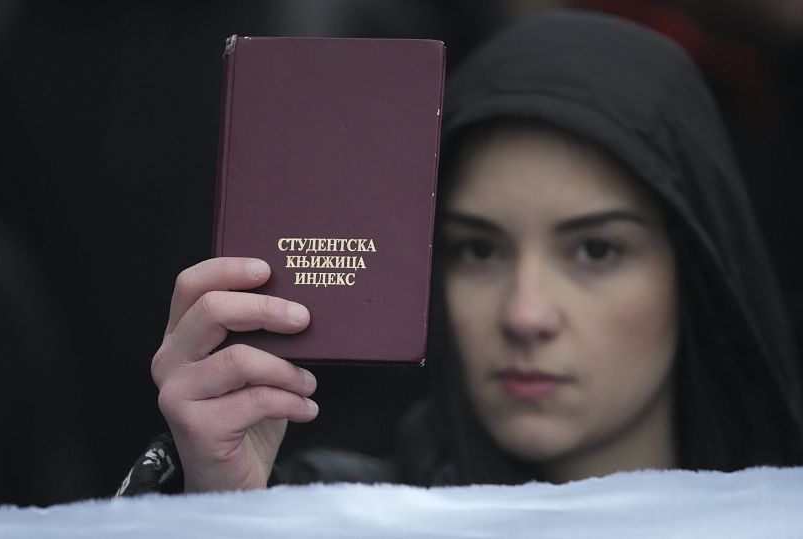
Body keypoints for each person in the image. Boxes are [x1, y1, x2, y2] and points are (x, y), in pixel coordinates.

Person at [117, 10, 803, 496]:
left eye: (595, 249)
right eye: (477, 249)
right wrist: (227, 510)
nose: (526, 314)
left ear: (698, 268)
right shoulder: (333, 512)